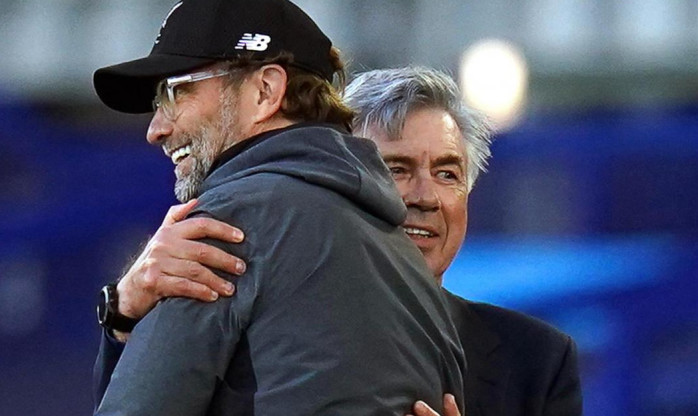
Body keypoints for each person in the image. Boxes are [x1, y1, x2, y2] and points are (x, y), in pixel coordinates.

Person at [97, 65, 584, 416]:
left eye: (447, 173)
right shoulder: (229, 273)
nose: (426, 197)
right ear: (341, 186)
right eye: (395, 169)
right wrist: (123, 313)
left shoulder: (537, 359)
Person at [91, 1, 465, 415]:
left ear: (266, 91)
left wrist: (120, 317)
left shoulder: (226, 224)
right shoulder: (408, 263)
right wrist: (123, 310)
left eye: (176, 91)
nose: (156, 129)